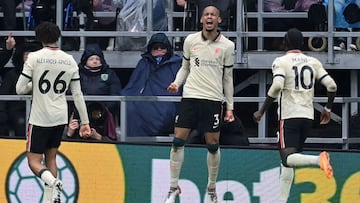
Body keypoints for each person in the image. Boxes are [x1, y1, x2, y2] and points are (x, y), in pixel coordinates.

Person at [253, 28, 337, 203]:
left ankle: (318, 160)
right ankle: (282, 200)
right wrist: (327, 109)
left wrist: (261, 110)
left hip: (289, 115)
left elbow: (277, 86)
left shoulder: (281, 61)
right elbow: (331, 86)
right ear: (302, 43)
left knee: (288, 158)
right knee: (288, 162)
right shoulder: (313, 61)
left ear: (285, 43)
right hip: (307, 116)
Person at [164, 5, 235, 203]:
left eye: (213, 14)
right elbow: (184, 67)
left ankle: (211, 187)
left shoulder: (228, 46)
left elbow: (228, 78)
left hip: (212, 99)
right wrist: (177, 83)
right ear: (202, 20)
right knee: (178, 141)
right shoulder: (191, 40)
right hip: (190, 96)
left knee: (212, 145)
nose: (209, 17)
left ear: (219, 20)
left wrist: (230, 107)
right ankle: (172, 187)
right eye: (206, 14)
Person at [15, 21, 91, 203]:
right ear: (57, 37)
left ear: (40, 38)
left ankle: (53, 182)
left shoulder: (34, 57)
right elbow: (78, 94)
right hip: (60, 117)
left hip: (41, 117)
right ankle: (50, 200)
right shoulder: (70, 60)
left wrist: (37, 84)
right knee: (51, 158)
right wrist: (86, 122)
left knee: (33, 162)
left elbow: (19, 89)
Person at [122, 32, 182, 137]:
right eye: (155, 48)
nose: (159, 50)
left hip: (168, 103)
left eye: (162, 48)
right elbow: (134, 85)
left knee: (166, 111)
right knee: (129, 108)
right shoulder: (144, 63)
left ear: (167, 49)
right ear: (150, 50)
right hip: (147, 101)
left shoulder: (176, 64)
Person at [66, 43, 122, 141]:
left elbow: (115, 94)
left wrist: (103, 110)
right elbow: (70, 92)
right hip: (80, 112)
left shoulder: (110, 74)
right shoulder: (77, 74)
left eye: (97, 59)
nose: (95, 61)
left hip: (103, 115)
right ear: (85, 61)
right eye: (91, 59)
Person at [0, 35, 43, 137]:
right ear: (21, 56)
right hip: (16, 111)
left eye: (33, 54)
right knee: (21, 123)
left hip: (40, 111)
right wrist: (2, 113)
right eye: (27, 54)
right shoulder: (12, 74)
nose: (29, 57)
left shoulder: (44, 74)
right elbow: (3, 94)